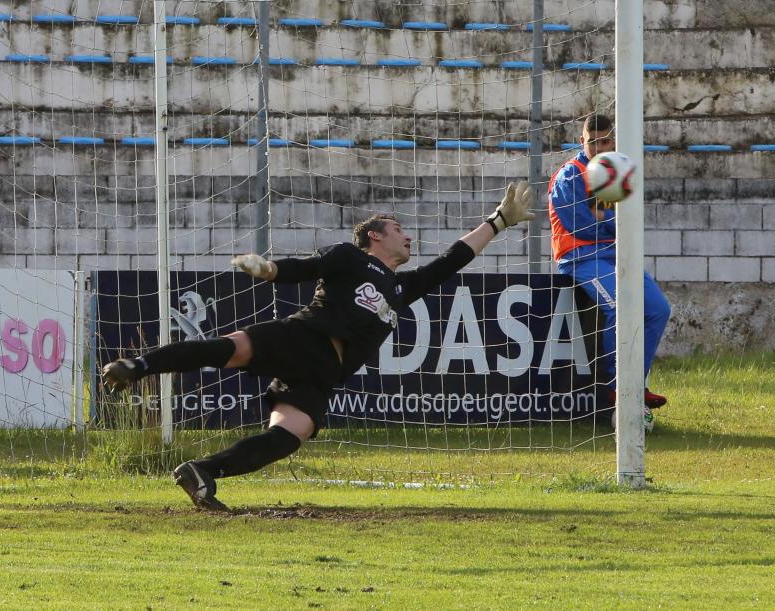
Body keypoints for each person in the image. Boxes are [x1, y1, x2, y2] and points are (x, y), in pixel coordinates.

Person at [102, 182, 535, 510]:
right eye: (398, 229)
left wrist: (498, 221)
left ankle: (203, 472)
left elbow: (451, 260)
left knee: (291, 434)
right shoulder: (351, 257)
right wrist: (271, 269)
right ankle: (136, 366)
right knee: (226, 348)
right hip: (302, 337)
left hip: (325, 371)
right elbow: (309, 267)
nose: (408, 237)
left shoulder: (401, 287)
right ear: (375, 237)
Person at [547, 113, 671, 425]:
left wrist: (605, 220)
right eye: (593, 142)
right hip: (581, 258)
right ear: (581, 141)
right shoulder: (570, 176)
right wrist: (616, 222)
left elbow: (623, 216)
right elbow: (580, 227)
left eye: (605, 141)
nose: (600, 147)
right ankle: (618, 389)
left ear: (612, 140)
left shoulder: (617, 170)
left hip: (615, 255)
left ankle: (636, 384)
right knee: (621, 304)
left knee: (658, 309)